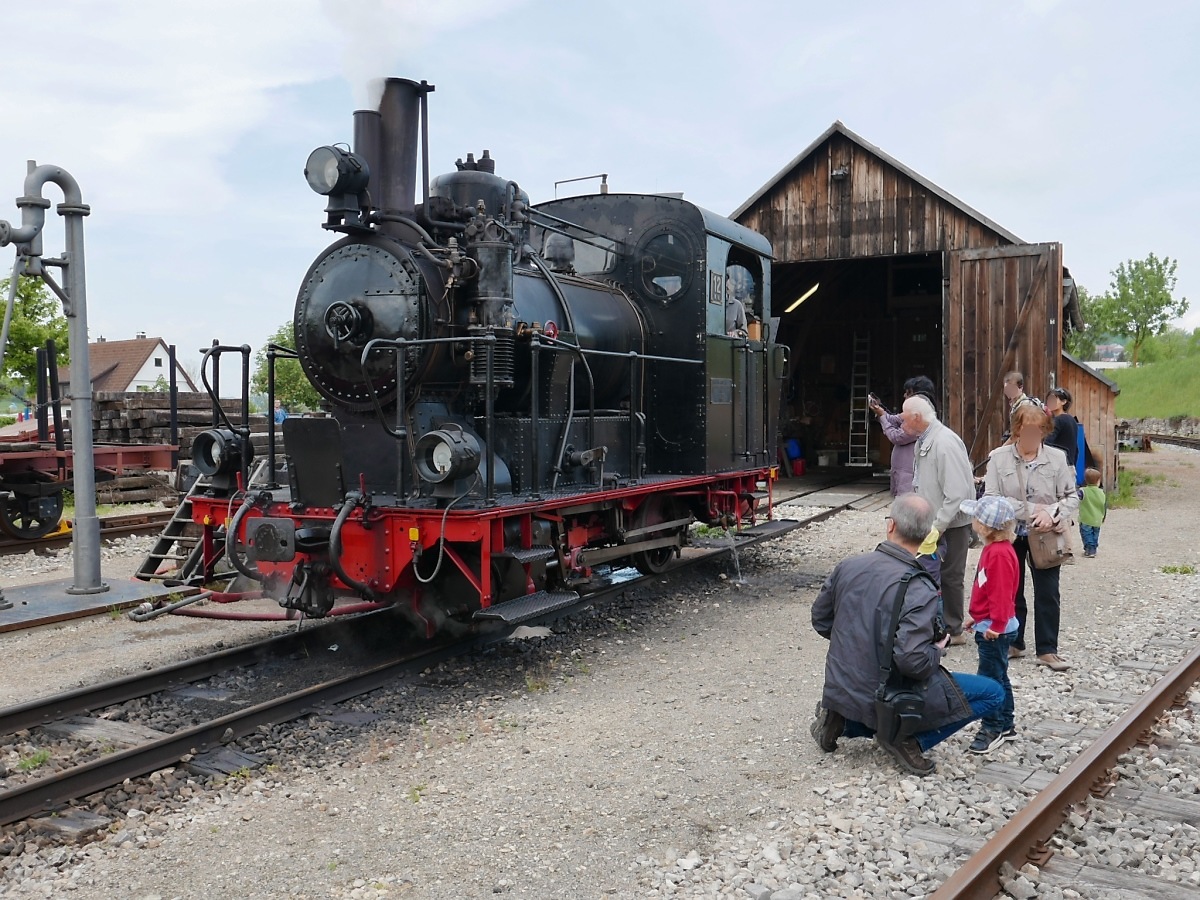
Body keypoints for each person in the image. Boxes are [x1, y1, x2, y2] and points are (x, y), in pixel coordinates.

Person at [810, 493, 1004, 776]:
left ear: (890, 525)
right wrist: (937, 648)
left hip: (842, 683)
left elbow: (820, 619)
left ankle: (840, 719)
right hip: (887, 692)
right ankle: (906, 740)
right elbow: (913, 662)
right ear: (927, 536)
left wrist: (859, 642)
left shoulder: (848, 566)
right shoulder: (919, 587)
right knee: (994, 693)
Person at [982, 403, 1079, 671]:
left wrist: (1052, 514)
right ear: (1016, 431)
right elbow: (991, 497)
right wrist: (1032, 509)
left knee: (1048, 593)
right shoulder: (998, 458)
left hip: (1046, 534)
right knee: (1011, 591)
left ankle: (1047, 649)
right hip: (1009, 532)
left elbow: (1072, 496)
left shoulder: (1057, 458)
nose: (1032, 437)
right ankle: (1014, 642)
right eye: (1026, 432)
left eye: (1038, 432)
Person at [900, 395, 976, 642]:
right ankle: (936, 625)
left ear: (916, 418)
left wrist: (939, 526)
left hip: (951, 523)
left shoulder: (944, 442)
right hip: (933, 521)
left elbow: (956, 492)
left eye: (904, 419)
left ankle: (954, 630)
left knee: (951, 576)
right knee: (930, 573)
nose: (902, 424)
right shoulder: (925, 440)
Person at [959, 495, 1020, 754]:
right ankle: (1006, 723)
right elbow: (987, 588)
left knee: (989, 680)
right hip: (989, 623)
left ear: (984, 527)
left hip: (995, 631)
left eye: (975, 518)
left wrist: (996, 624)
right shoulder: (993, 549)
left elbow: (1002, 593)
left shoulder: (999, 554)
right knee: (999, 675)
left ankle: (992, 727)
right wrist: (978, 615)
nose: (972, 521)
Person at [868, 376, 937, 496]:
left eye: (908, 392)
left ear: (917, 395)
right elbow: (893, 419)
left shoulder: (921, 417)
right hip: (902, 471)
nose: (904, 395)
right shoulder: (913, 411)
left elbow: (897, 437)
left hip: (908, 472)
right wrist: (879, 410)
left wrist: (882, 417)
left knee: (907, 502)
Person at [1043, 387, 1078, 469]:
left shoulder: (1058, 420)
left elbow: (1046, 444)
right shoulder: (1072, 420)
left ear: (1064, 402)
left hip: (1057, 467)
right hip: (1070, 466)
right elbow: (1076, 449)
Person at [1002, 372, 1042, 441]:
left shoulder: (1026, 405)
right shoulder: (1015, 405)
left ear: (1021, 388)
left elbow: (1023, 431)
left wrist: (1004, 446)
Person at [1078, 468, 1107, 558]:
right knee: (1095, 535)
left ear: (1086, 480)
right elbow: (1104, 506)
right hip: (1097, 519)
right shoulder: (1101, 492)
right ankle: (1094, 548)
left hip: (1086, 518)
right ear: (1098, 481)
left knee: (1086, 535)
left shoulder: (1083, 491)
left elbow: (1076, 499)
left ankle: (1089, 550)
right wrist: (1103, 517)